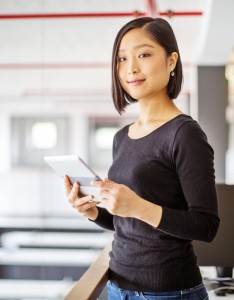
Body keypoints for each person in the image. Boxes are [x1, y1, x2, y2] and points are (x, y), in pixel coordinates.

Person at [65, 17, 220, 300]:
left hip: (169, 292)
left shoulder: (184, 134)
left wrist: (137, 206)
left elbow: (206, 225)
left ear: (172, 61)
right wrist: (94, 212)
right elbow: (128, 223)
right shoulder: (121, 138)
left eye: (144, 55)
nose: (131, 68)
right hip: (118, 287)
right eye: (122, 59)